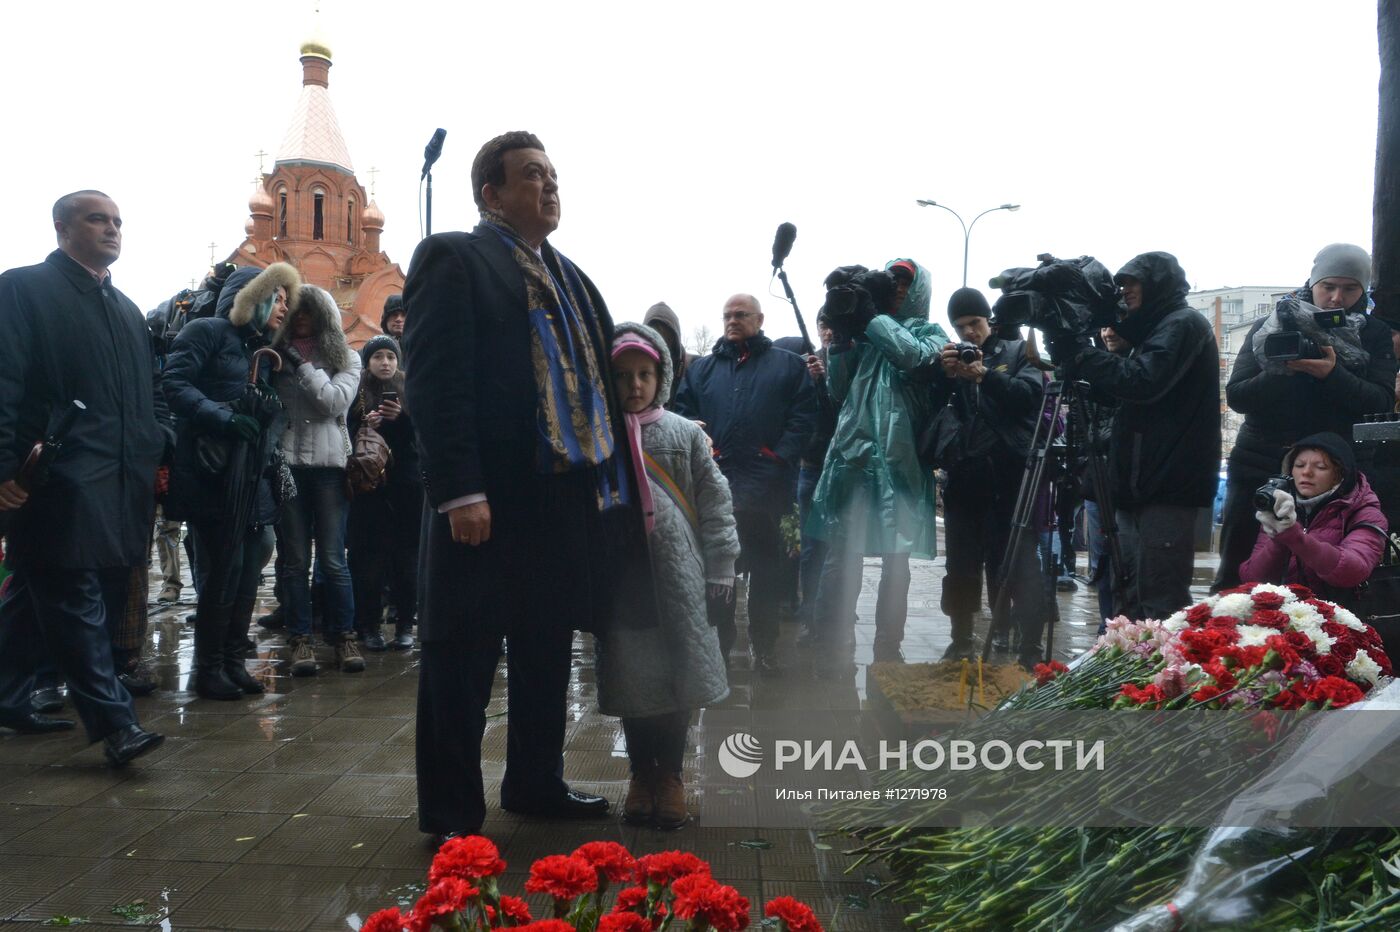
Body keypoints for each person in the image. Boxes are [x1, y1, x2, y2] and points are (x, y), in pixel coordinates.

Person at [405, 131, 657, 842]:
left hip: (560, 498)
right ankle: (453, 814)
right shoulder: (455, 257)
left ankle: (535, 782)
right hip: (487, 499)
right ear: (490, 192)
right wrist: (459, 490)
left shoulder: (573, 276)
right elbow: (436, 381)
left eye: (553, 176)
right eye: (532, 176)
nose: (549, 187)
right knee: (462, 657)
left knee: (546, 647)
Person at [0, 190, 166, 764]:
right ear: (61, 228)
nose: (112, 229)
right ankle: (116, 725)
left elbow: (149, 397)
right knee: (73, 596)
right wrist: (5, 468)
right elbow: (5, 381)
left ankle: (6, 697)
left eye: (118, 220)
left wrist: (152, 447)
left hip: (119, 480)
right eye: (97, 219)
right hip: (51, 478)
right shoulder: (22, 289)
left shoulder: (124, 309)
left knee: (31, 594)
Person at [600, 322, 739, 830]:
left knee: (679, 679)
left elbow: (716, 503)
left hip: (681, 582)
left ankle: (672, 776)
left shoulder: (684, 435)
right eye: (622, 376)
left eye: (644, 374)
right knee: (635, 678)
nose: (634, 385)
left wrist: (721, 568)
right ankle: (641, 773)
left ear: (661, 375)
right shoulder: (597, 436)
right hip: (625, 583)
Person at [1048, 252, 1221, 620]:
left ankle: (1159, 675)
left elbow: (1144, 381)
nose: (1123, 291)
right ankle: (1130, 669)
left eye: (1131, 283)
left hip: (1167, 486)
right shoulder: (1155, 330)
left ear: (1157, 283)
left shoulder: (1182, 324)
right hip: (1139, 484)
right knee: (1126, 592)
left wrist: (1081, 356)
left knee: (1158, 596)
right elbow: (1127, 393)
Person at [1216, 244, 1395, 591]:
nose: (1336, 298)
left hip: (1335, 472)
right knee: (1238, 575)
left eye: (1349, 288)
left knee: (1319, 577)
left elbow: (1380, 401)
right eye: (1328, 286)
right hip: (1260, 459)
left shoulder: (1374, 334)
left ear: (1363, 290)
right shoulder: (1273, 324)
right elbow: (1237, 395)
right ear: (1313, 282)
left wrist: (1331, 373)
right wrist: (1282, 370)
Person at [163, 262, 299, 699]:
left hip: (249, 471)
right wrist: (224, 417)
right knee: (224, 567)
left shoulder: (256, 348)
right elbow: (175, 384)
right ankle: (208, 669)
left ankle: (234, 661)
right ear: (250, 299)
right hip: (212, 472)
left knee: (253, 561)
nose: (283, 307)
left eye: (285, 300)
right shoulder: (206, 332)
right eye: (275, 298)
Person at [804, 261, 945, 668]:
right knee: (841, 554)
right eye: (893, 279)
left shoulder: (930, 333)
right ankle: (832, 639)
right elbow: (838, 389)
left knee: (895, 562)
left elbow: (912, 357)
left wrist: (872, 318)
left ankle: (888, 647)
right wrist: (843, 342)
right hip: (852, 458)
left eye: (907, 280)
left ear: (919, 288)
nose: (900, 286)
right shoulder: (867, 334)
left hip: (901, 464)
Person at [673, 294, 816, 674]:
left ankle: (765, 648)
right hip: (716, 490)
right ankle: (719, 649)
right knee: (719, 575)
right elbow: (684, 414)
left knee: (767, 577)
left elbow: (804, 417)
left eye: (740, 315)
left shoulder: (786, 366)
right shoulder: (703, 369)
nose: (732, 320)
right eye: (727, 316)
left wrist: (780, 454)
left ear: (759, 318)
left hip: (768, 490)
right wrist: (702, 445)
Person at [927, 286, 1046, 666]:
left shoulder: (1017, 351)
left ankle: (1029, 645)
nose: (969, 334)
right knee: (960, 565)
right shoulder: (952, 360)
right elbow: (934, 410)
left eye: (975, 324)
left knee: (1017, 563)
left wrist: (984, 377)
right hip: (964, 475)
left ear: (988, 319)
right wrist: (943, 376)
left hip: (1010, 476)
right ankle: (960, 639)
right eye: (961, 327)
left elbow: (1029, 398)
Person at [268, 283, 362, 676]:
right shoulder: (272, 356)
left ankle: (343, 636)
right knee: (293, 561)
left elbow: (333, 403)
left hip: (328, 469)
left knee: (333, 559)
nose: (301, 317)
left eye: (309, 311)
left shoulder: (347, 359)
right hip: (287, 464)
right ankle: (300, 639)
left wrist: (302, 365)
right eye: (295, 310)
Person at [1239, 432, 1387, 595]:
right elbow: (1253, 578)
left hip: (1346, 615)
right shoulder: (1280, 506)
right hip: (1288, 615)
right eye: (1300, 465)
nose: (1307, 472)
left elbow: (1352, 571)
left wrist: (1294, 537)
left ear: (1340, 475)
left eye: (1321, 467)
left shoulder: (1365, 513)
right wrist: (1278, 538)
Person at [347, 333, 420, 651]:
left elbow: (421, 441)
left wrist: (401, 420)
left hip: (406, 489)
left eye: (390, 357)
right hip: (368, 490)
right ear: (368, 361)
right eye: (378, 357)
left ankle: (406, 623)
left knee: (407, 562)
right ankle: (369, 626)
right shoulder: (356, 391)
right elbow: (344, 432)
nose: (385, 362)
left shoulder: (411, 389)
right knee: (368, 563)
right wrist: (366, 424)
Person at [643, 301, 694, 408]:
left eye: (666, 334)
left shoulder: (695, 366)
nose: (660, 340)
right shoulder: (637, 367)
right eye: (654, 333)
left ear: (675, 337)